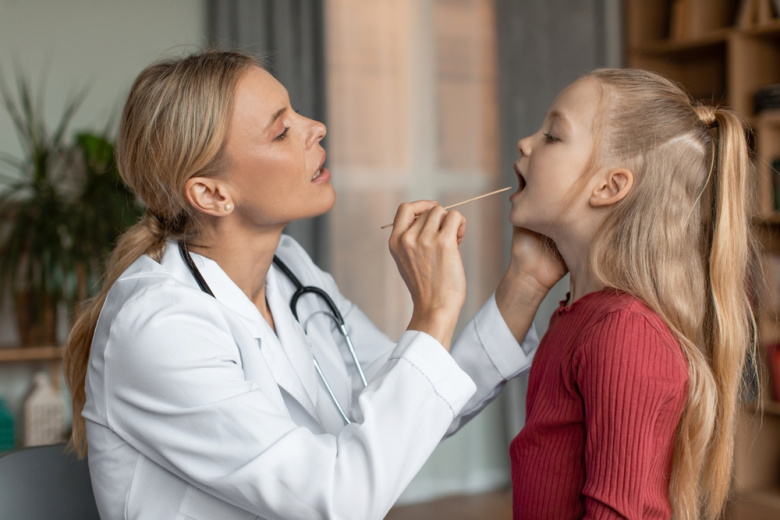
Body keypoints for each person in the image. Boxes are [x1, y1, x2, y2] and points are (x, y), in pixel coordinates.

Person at [63, 50, 565, 520]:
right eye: (282, 131)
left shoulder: (289, 269)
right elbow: (340, 498)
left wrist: (525, 281)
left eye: (296, 112)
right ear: (212, 194)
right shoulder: (158, 329)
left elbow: (406, 406)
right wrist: (434, 311)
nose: (316, 127)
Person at [507, 67, 759, 520]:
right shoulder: (575, 315)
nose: (525, 144)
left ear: (609, 186)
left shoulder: (624, 333)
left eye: (552, 136)